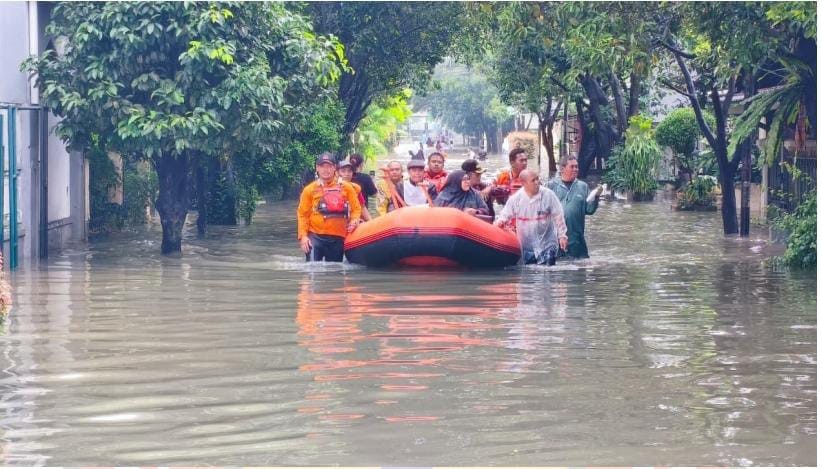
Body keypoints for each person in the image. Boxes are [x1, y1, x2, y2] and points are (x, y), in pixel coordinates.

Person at [297, 152, 362, 262]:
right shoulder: (309, 189)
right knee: (313, 271)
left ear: (335, 168)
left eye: (329, 166)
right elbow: (303, 214)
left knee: (334, 274)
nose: (326, 170)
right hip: (315, 237)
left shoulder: (347, 187)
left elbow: (356, 208)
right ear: (317, 168)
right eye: (322, 166)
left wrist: (354, 221)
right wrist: (303, 236)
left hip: (338, 238)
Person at [494, 169, 568, 266]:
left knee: (548, 271)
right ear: (523, 183)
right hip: (527, 246)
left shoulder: (548, 195)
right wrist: (500, 223)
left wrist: (562, 236)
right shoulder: (516, 199)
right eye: (533, 180)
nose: (537, 182)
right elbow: (504, 215)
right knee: (531, 274)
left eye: (537, 179)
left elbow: (558, 215)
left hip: (548, 243)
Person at [546, 155, 602, 259]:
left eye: (577, 167)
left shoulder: (582, 186)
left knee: (578, 266)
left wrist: (596, 196)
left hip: (576, 237)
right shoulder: (551, 186)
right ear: (562, 169)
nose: (575, 169)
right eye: (572, 167)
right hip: (554, 237)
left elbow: (589, 210)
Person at [337, 158, 372, 222]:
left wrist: (371, 222)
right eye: (343, 171)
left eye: (349, 171)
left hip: (353, 221)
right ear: (337, 173)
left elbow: (362, 207)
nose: (347, 174)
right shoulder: (332, 187)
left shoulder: (355, 188)